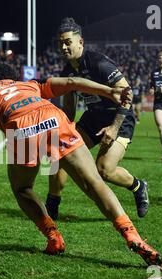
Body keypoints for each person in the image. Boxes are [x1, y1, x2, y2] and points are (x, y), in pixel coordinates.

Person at [0, 62, 162, 267]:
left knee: (23, 189)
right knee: (94, 182)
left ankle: (53, 237)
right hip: (53, 118)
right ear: (14, 78)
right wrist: (108, 90)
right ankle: (132, 235)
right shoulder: (31, 84)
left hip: (21, 128)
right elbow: (72, 82)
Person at [45, 17, 149, 220]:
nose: (64, 47)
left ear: (80, 42)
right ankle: (52, 206)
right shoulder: (67, 70)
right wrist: (61, 131)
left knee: (104, 169)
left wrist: (113, 127)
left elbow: (128, 95)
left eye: (68, 42)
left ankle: (138, 186)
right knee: (61, 152)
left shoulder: (99, 63)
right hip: (93, 117)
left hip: (118, 117)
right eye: (61, 43)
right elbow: (69, 108)